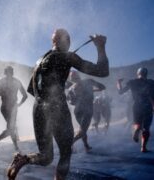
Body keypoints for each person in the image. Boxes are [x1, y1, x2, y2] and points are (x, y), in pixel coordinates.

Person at [7, 29, 109, 180]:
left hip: (38, 109)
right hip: (57, 108)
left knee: (46, 157)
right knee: (66, 152)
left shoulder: (39, 61)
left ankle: (23, 159)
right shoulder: (67, 56)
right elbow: (102, 71)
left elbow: (32, 90)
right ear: (65, 41)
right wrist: (100, 46)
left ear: (53, 41)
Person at [117, 67, 154, 153]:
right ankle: (143, 147)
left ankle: (137, 130)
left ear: (137, 73)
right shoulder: (152, 83)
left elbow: (120, 92)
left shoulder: (132, 82)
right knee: (146, 128)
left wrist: (118, 83)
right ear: (146, 74)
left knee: (137, 124)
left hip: (136, 106)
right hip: (147, 106)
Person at [0, 66, 27, 152]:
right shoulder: (13, 82)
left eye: (10, 72)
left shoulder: (1, 81)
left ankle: (14, 146)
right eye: (9, 72)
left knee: (11, 128)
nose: (10, 74)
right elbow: (25, 96)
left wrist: (19, 104)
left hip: (8, 108)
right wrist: (19, 104)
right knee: (11, 128)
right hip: (9, 108)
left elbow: (25, 96)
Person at [67, 71, 105, 152]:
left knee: (82, 128)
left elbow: (71, 102)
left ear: (71, 79)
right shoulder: (88, 81)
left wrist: (79, 99)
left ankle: (86, 146)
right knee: (83, 129)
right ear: (79, 76)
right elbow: (102, 87)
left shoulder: (71, 88)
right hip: (87, 108)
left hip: (77, 110)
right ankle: (69, 143)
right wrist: (92, 90)